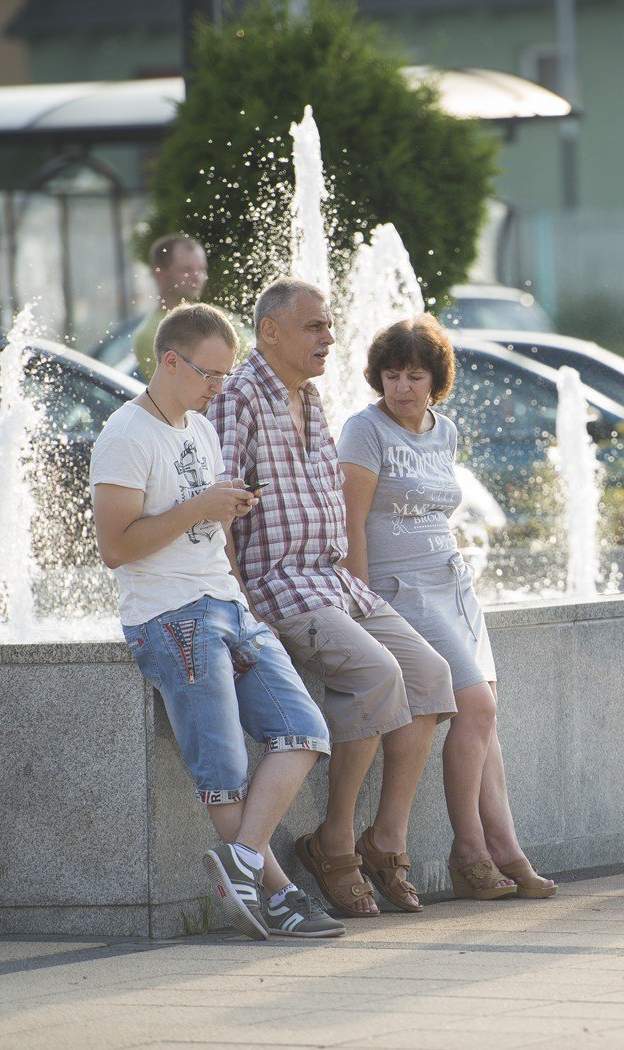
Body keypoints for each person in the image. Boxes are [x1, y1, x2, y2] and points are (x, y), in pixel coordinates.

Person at [90, 302, 343, 940]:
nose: (218, 387)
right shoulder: (125, 436)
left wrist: (225, 510)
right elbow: (114, 547)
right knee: (224, 768)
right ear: (171, 362)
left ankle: (243, 859)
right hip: (170, 615)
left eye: (226, 375)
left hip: (227, 603)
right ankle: (280, 895)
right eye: (210, 374)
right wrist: (202, 505)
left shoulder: (200, 429)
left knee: (305, 731)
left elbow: (201, 524)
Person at [209, 278, 456, 919]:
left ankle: (387, 839)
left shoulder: (311, 397)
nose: (329, 337)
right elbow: (218, 509)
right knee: (378, 674)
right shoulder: (238, 399)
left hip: (334, 580)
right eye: (314, 326)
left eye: (328, 325)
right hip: (278, 584)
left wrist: (355, 582)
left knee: (432, 677)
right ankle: (335, 840)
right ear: (270, 332)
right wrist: (240, 607)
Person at [337, 313, 555, 901]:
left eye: (414, 376)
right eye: (391, 375)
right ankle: (470, 852)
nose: (401, 388)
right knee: (477, 705)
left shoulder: (445, 431)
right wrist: (361, 603)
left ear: (436, 380)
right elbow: (351, 525)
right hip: (399, 588)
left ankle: (503, 848)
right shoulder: (364, 430)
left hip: (453, 585)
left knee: (483, 716)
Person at [133, 235, 208, 381]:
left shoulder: (217, 314)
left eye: (202, 269)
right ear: (160, 274)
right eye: (187, 270)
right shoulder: (152, 334)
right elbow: (184, 389)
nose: (197, 277)